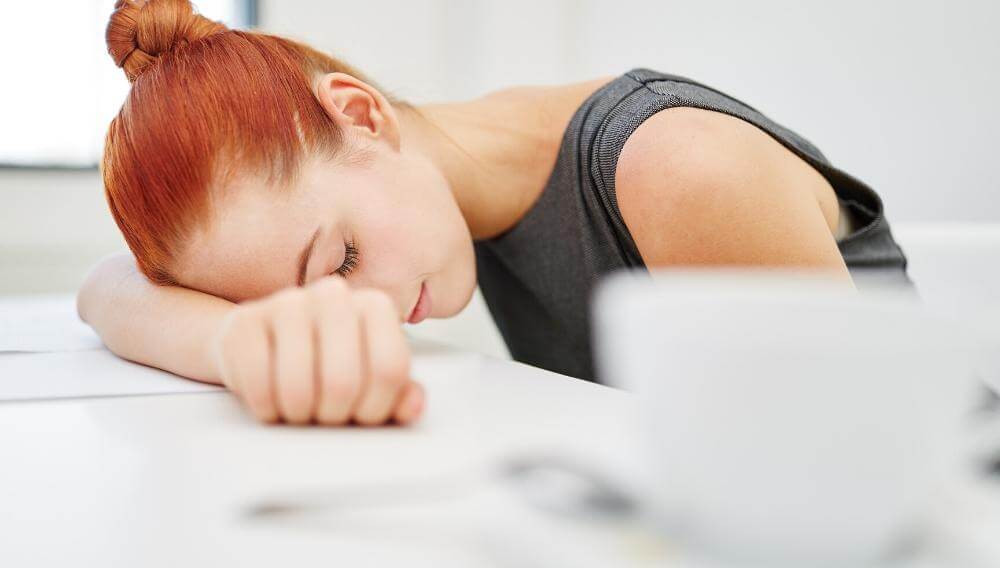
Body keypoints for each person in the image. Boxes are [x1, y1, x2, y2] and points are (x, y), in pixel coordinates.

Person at [78, 0, 913, 427]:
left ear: (361, 114)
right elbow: (105, 290)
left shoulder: (676, 167)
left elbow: (846, 471)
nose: (361, 317)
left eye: (339, 264)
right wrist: (232, 342)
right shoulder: (437, 196)